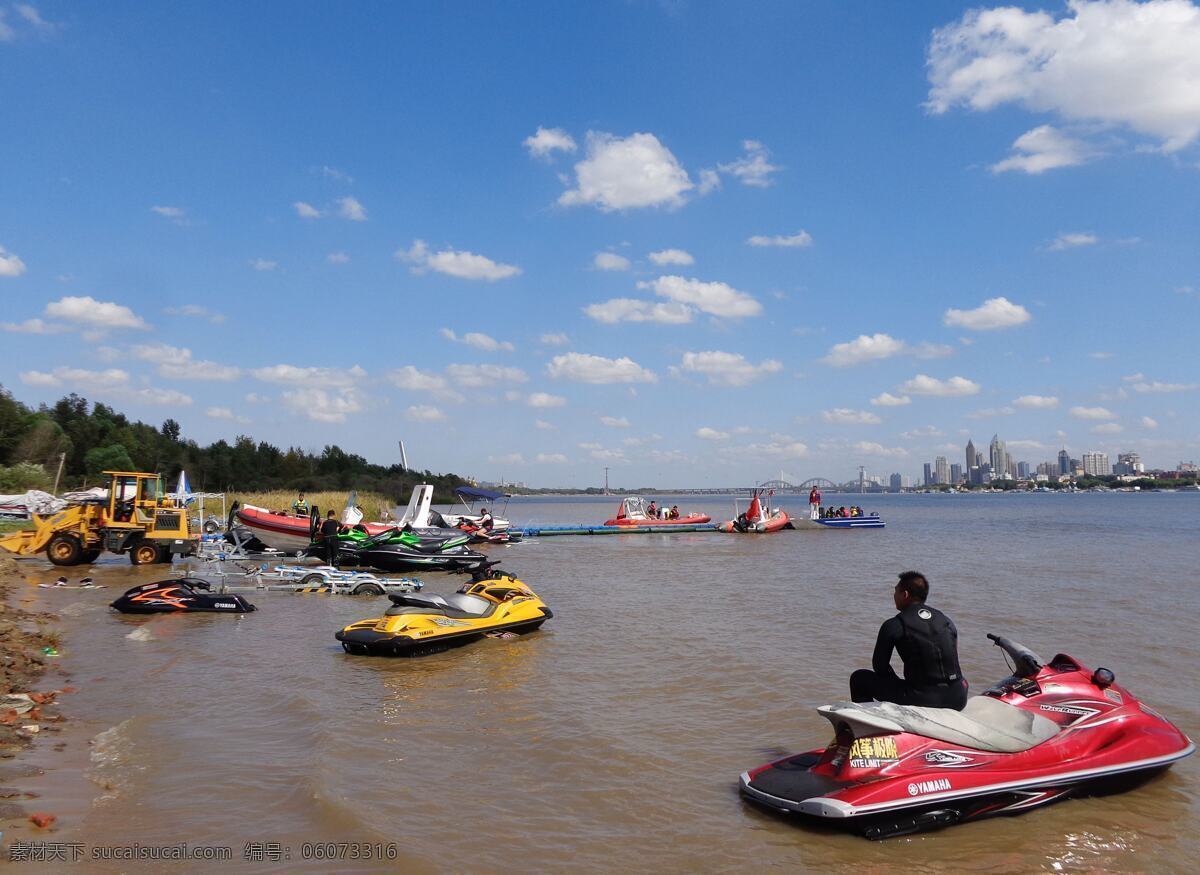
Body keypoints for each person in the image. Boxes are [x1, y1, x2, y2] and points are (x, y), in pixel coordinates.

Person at [850, 571, 968, 710]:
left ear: (905, 595)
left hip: (924, 699)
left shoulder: (895, 624)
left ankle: (869, 726)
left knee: (859, 678)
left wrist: (897, 686)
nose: (894, 596)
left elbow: (880, 666)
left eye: (896, 592)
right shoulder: (946, 620)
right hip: (959, 696)